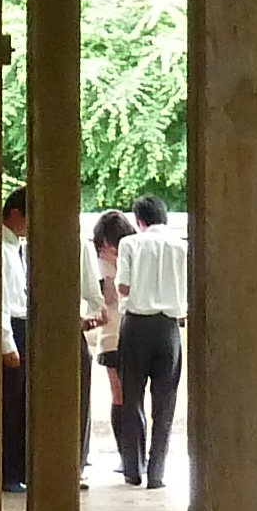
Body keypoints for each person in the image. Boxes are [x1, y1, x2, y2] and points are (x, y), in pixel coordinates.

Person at [113, 192, 186, 490]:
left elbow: (123, 285)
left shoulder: (130, 244)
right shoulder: (183, 248)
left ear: (139, 221)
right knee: (165, 403)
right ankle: (157, 473)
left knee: (132, 398)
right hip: (169, 328)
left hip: (136, 325)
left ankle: (133, 468)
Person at [89, 208, 136, 486]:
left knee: (135, 396)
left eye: (112, 243)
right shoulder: (98, 263)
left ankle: (136, 455)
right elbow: (105, 298)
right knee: (118, 396)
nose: (108, 249)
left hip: (133, 330)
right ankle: (124, 455)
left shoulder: (134, 254)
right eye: (104, 243)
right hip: (110, 335)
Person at [0, 186, 33, 493]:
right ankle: (8, 472)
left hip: (22, 326)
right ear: (15, 214)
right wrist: (7, 343)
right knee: (10, 405)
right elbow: (2, 302)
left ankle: (17, 469)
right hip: (13, 329)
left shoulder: (15, 247)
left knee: (21, 405)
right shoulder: (1, 248)